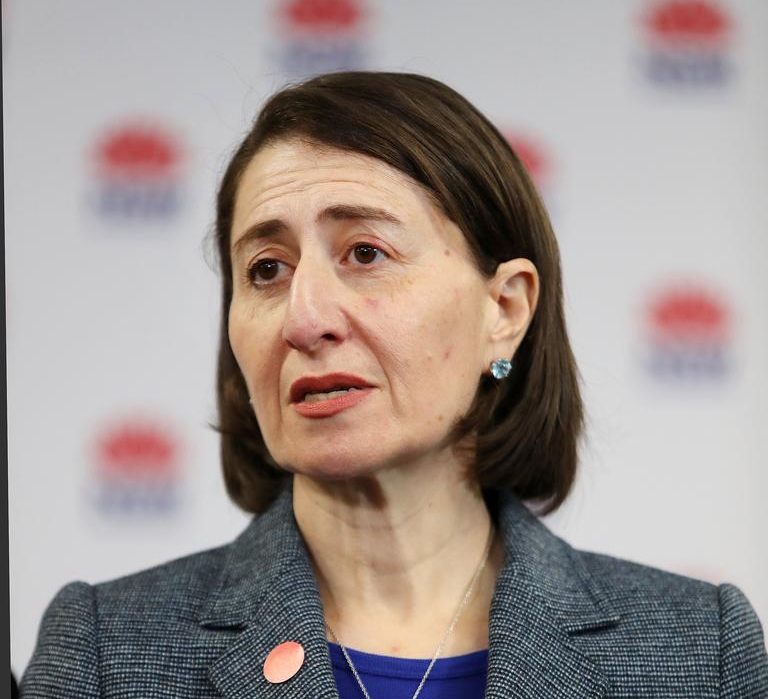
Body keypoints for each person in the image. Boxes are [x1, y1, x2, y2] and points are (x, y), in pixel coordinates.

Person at [21, 71, 767, 698]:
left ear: (503, 311)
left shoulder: (703, 653)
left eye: (366, 252)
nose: (304, 318)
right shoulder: (106, 654)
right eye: (266, 270)